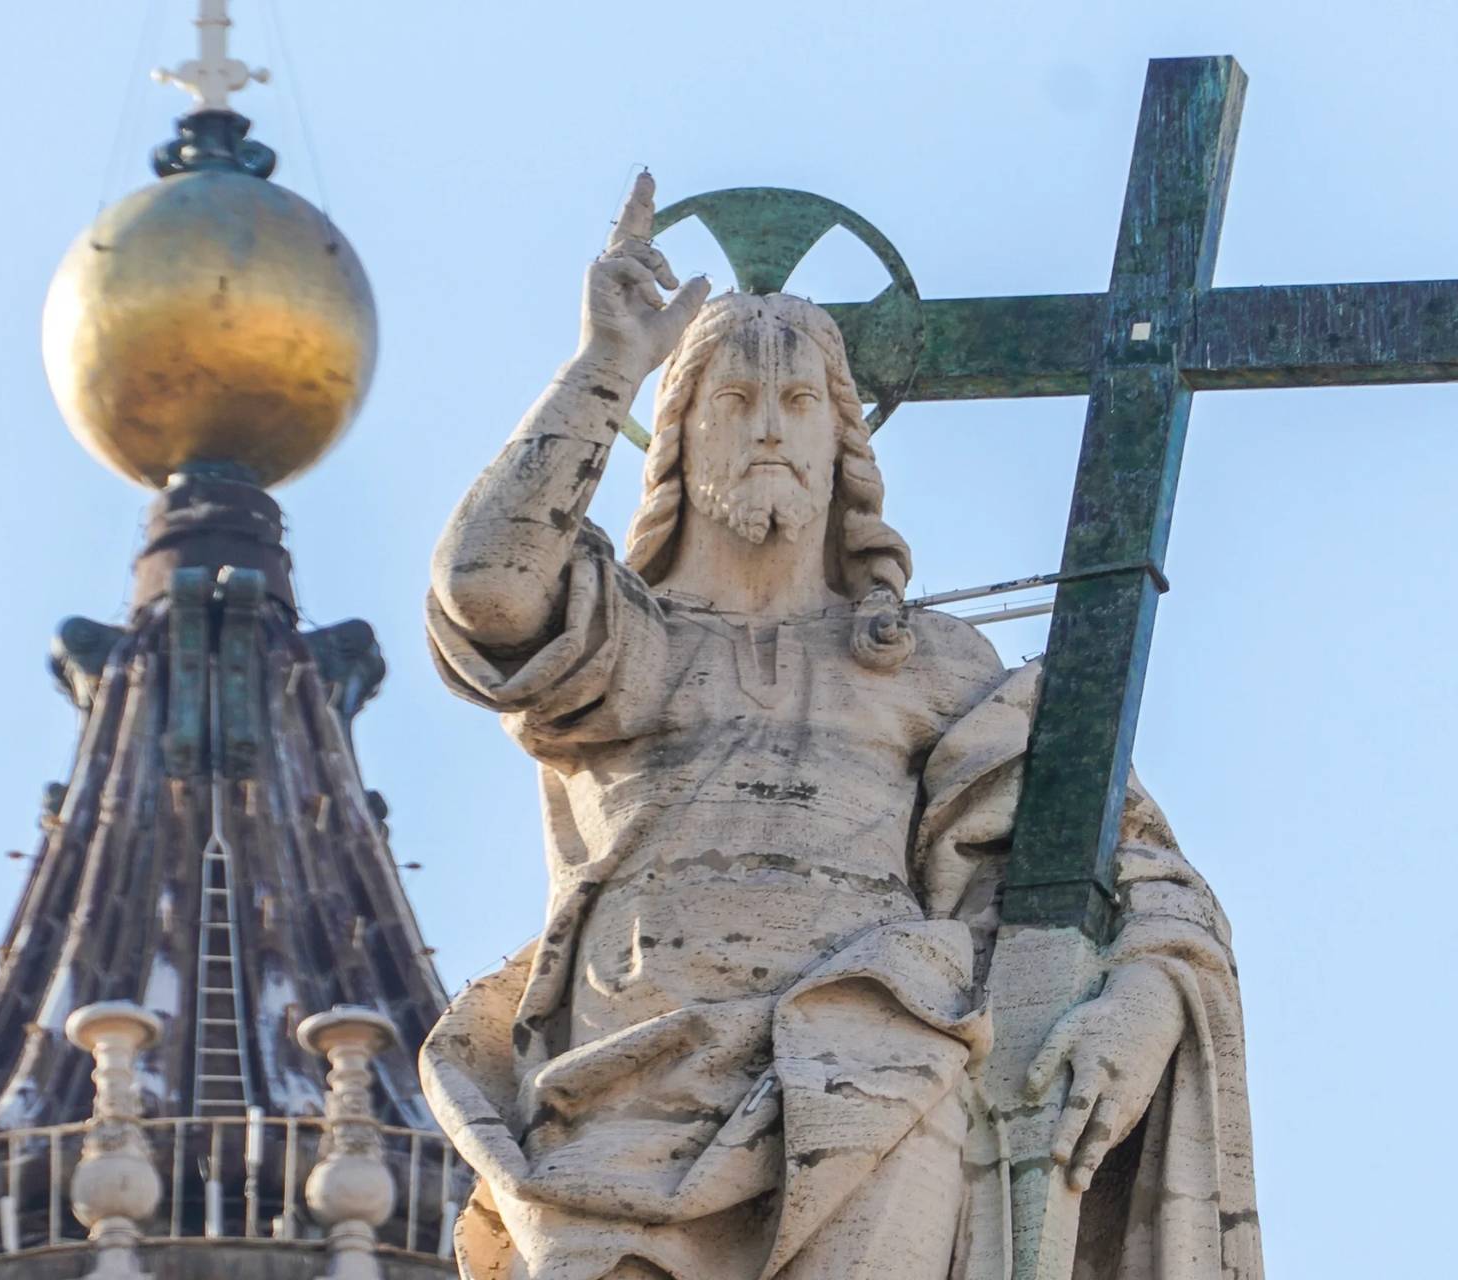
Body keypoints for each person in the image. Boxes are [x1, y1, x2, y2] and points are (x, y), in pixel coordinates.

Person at [420, 174, 1261, 1280]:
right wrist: (605, 365)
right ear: (675, 438)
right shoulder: (626, 644)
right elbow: (484, 584)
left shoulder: (931, 664)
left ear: (843, 442)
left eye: (802, 401)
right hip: (619, 1096)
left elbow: (1144, 871)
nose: (770, 426)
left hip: (879, 1078)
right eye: (733, 400)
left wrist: (1143, 1004)